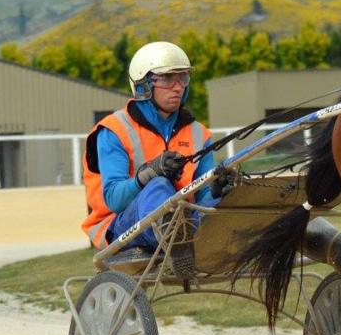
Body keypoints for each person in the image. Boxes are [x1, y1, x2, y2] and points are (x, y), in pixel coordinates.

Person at [81, 41, 230, 274]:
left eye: (183, 78)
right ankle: (176, 242)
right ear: (143, 84)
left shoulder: (199, 134)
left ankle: (194, 240)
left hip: (185, 222)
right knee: (159, 184)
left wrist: (218, 190)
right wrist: (151, 172)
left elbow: (203, 199)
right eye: (168, 78)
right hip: (122, 228)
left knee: (231, 190)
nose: (178, 87)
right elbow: (114, 200)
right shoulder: (114, 131)